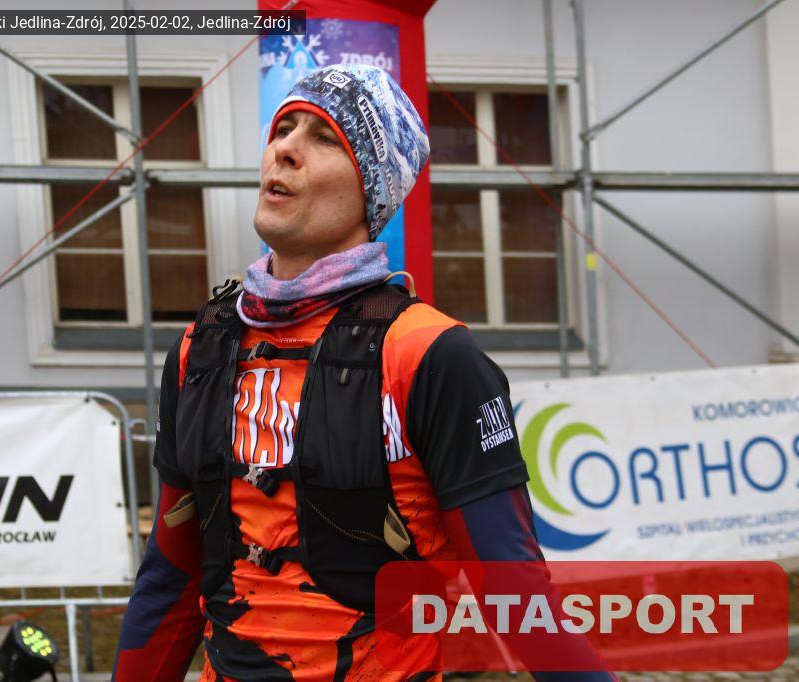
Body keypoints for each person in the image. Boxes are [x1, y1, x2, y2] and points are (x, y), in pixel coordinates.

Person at [113, 64, 614, 681]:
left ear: (372, 190)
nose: (285, 149)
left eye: (325, 138)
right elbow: (169, 579)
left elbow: (518, 598)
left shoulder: (428, 354)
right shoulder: (202, 348)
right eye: (283, 129)